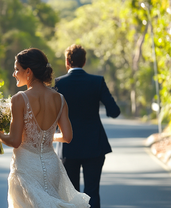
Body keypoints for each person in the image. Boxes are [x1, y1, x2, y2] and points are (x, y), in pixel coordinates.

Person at [0, 48, 90, 208]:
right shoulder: (60, 99)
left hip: (27, 167)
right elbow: (67, 137)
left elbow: (14, 141)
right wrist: (45, 138)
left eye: (17, 69)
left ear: (28, 71)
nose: (14, 73)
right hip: (52, 165)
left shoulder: (19, 99)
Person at [54, 44, 120, 208]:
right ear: (84, 62)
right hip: (94, 145)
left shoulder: (58, 84)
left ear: (67, 62)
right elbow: (114, 112)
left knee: (71, 193)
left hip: (67, 146)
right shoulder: (97, 81)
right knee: (92, 191)